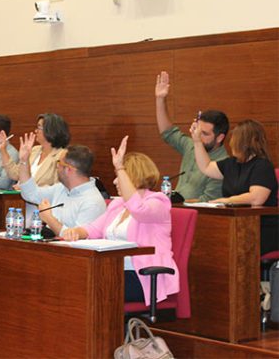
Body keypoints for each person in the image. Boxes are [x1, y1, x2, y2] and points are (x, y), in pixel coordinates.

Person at [65, 137, 179, 307]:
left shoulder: (158, 203)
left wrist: (120, 167)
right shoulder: (118, 204)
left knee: (90, 287)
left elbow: (139, 210)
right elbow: (93, 229)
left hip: (142, 276)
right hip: (114, 270)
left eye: (119, 176)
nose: (114, 181)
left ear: (132, 177)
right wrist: (77, 232)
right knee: (72, 280)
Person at [191, 119, 278, 254]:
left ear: (244, 142)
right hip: (234, 223)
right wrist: (197, 141)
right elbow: (206, 167)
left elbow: (256, 198)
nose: (231, 143)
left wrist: (226, 200)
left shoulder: (262, 166)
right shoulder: (231, 163)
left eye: (234, 138)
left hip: (260, 228)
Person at [155, 71, 229, 201]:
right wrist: (160, 99)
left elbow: (207, 201)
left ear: (220, 138)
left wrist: (177, 202)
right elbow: (168, 133)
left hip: (197, 215)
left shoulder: (223, 164)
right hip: (174, 208)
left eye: (204, 134)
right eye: (198, 131)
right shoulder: (192, 144)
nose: (198, 137)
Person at [18, 133, 106, 237]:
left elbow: (74, 239)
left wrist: (49, 218)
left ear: (68, 169)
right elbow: (30, 194)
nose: (57, 167)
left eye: (59, 163)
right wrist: (24, 161)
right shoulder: (61, 188)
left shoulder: (92, 202)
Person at [1, 113, 70, 186]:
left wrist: (28, 189)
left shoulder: (62, 155)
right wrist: (3, 149)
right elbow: (15, 174)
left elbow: (58, 188)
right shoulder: (35, 150)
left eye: (39, 128)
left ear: (50, 130)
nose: (35, 131)